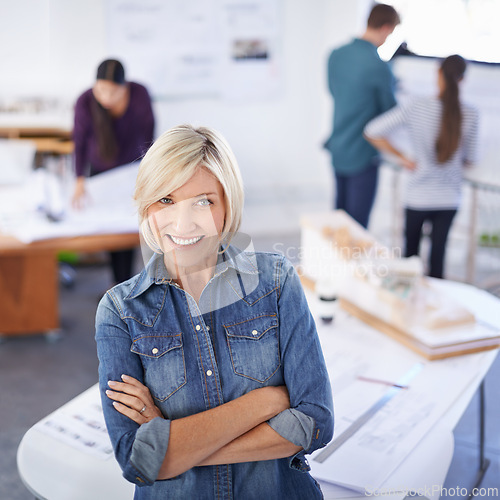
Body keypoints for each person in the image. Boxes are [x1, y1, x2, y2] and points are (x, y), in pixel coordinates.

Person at [95, 124, 334, 499]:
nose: (183, 223)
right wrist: (266, 401)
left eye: (204, 201)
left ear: (227, 204)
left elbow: (315, 423)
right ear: (146, 205)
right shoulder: (120, 310)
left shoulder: (275, 281)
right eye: (167, 200)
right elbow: (137, 460)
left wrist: (175, 449)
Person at [364, 55, 479, 279]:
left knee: (410, 260)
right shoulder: (471, 114)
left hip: (417, 197)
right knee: (438, 260)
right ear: (463, 79)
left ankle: (409, 307)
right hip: (449, 198)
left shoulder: (417, 106)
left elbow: (372, 130)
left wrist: (403, 157)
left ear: (438, 74)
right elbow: (471, 158)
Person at [72, 59, 155, 284]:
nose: (107, 97)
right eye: (101, 91)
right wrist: (79, 179)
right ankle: (117, 284)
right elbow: (78, 142)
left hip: (131, 172)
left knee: (127, 229)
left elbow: (150, 135)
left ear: (124, 86)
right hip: (100, 173)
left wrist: (150, 173)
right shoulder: (84, 101)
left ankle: (123, 283)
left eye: (113, 92)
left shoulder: (139, 95)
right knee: (108, 229)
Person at [324, 3, 400, 228]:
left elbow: (333, 90)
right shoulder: (379, 66)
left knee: (338, 220)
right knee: (357, 228)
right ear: (386, 28)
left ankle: (333, 263)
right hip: (362, 152)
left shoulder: (336, 55)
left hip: (339, 146)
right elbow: (390, 111)